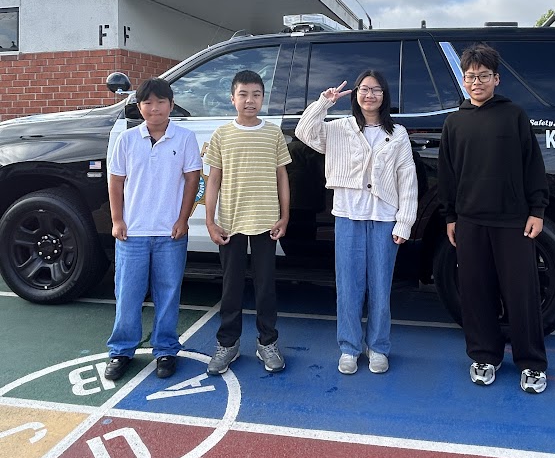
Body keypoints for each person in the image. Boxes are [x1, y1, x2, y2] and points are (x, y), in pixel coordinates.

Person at [438, 43, 549, 394]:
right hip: (469, 221)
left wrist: (537, 210)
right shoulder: (454, 122)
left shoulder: (514, 115)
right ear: (463, 79)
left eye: (484, 76)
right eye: (471, 76)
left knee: (522, 294)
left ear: (496, 79)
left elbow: (533, 165)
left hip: (513, 221)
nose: (477, 82)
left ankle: (531, 363)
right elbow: (447, 175)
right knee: (476, 292)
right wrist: (451, 215)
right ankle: (485, 355)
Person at [295, 70, 418, 375]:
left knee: (380, 287)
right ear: (356, 94)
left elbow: (408, 179)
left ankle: (378, 346)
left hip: (384, 219)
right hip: (348, 216)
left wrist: (404, 222)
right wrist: (324, 102)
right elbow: (304, 132)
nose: (369, 95)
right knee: (348, 286)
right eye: (364, 89)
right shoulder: (340, 128)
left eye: (376, 90)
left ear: (384, 96)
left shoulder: (398, 133)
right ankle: (349, 347)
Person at [104, 77, 202, 382]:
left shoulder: (185, 138)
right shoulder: (127, 139)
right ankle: (121, 350)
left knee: (168, 293)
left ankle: (166, 349)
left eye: (161, 102)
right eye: (148, 102)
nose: (154, 108)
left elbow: (193, 180)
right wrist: (117, 220)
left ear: (171, 105)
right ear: (139, 106)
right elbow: (116, 181)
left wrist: (183, 220)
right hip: (132, 232)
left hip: (170, 233)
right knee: (127, 294)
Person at [204, 70, 291, 374]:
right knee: (231, 288)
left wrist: (284, 216)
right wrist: (210, 221)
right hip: (231, 223)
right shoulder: (222, 134)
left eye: (256, 94)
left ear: (263, 98)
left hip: (267, 222)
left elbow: (282, 177)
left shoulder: (273, 133)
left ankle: (268, 342)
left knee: (266, 287)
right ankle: (228, 344)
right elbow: (213, 180)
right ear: (232, 98)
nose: (249, 100)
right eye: (243, 94)